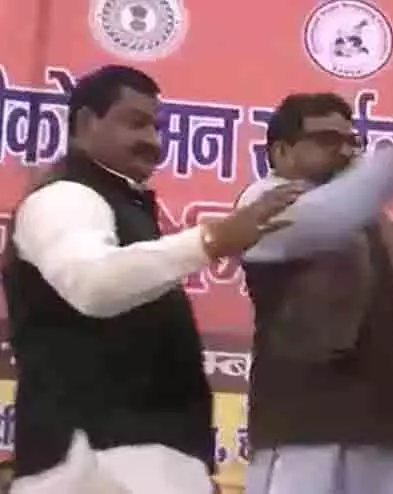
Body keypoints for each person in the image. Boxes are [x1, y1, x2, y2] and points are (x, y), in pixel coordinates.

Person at [1, 65, 304, 494]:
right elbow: (93, 285)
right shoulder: (64, 197)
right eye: (136, 123)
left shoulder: (123, 205)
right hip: (91, 466)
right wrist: (212, 239)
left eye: (157, 127)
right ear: (86, 123)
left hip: (135, 465)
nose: (153, 141)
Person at [238, 93, 393, 494]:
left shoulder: (380, 227)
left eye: (352, 141)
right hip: (308, 434)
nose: (345, 151)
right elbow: (329, 216)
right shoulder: (262, 206)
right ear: (281, 152)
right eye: (326, 140)